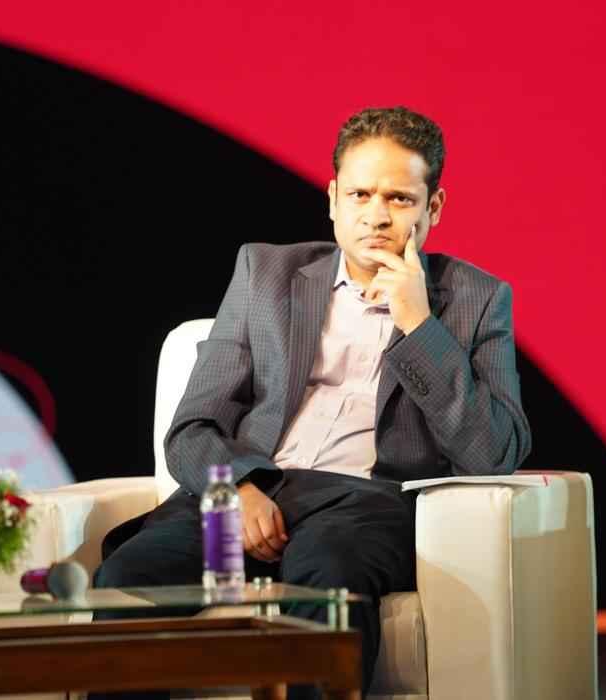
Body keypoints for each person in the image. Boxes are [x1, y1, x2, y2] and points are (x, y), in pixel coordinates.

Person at [92, 106, 531, 699]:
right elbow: (193, 426)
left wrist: (420, 325)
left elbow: (493, 453)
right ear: (332, 199)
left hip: (364, 506)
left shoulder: (476, 299)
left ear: (434, 208)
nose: (376, 216)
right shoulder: (265, 274)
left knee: (326, 580)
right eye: (360, 194)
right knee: (129, 576)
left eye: (399, 199)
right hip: (250, 490)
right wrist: (239, 489)